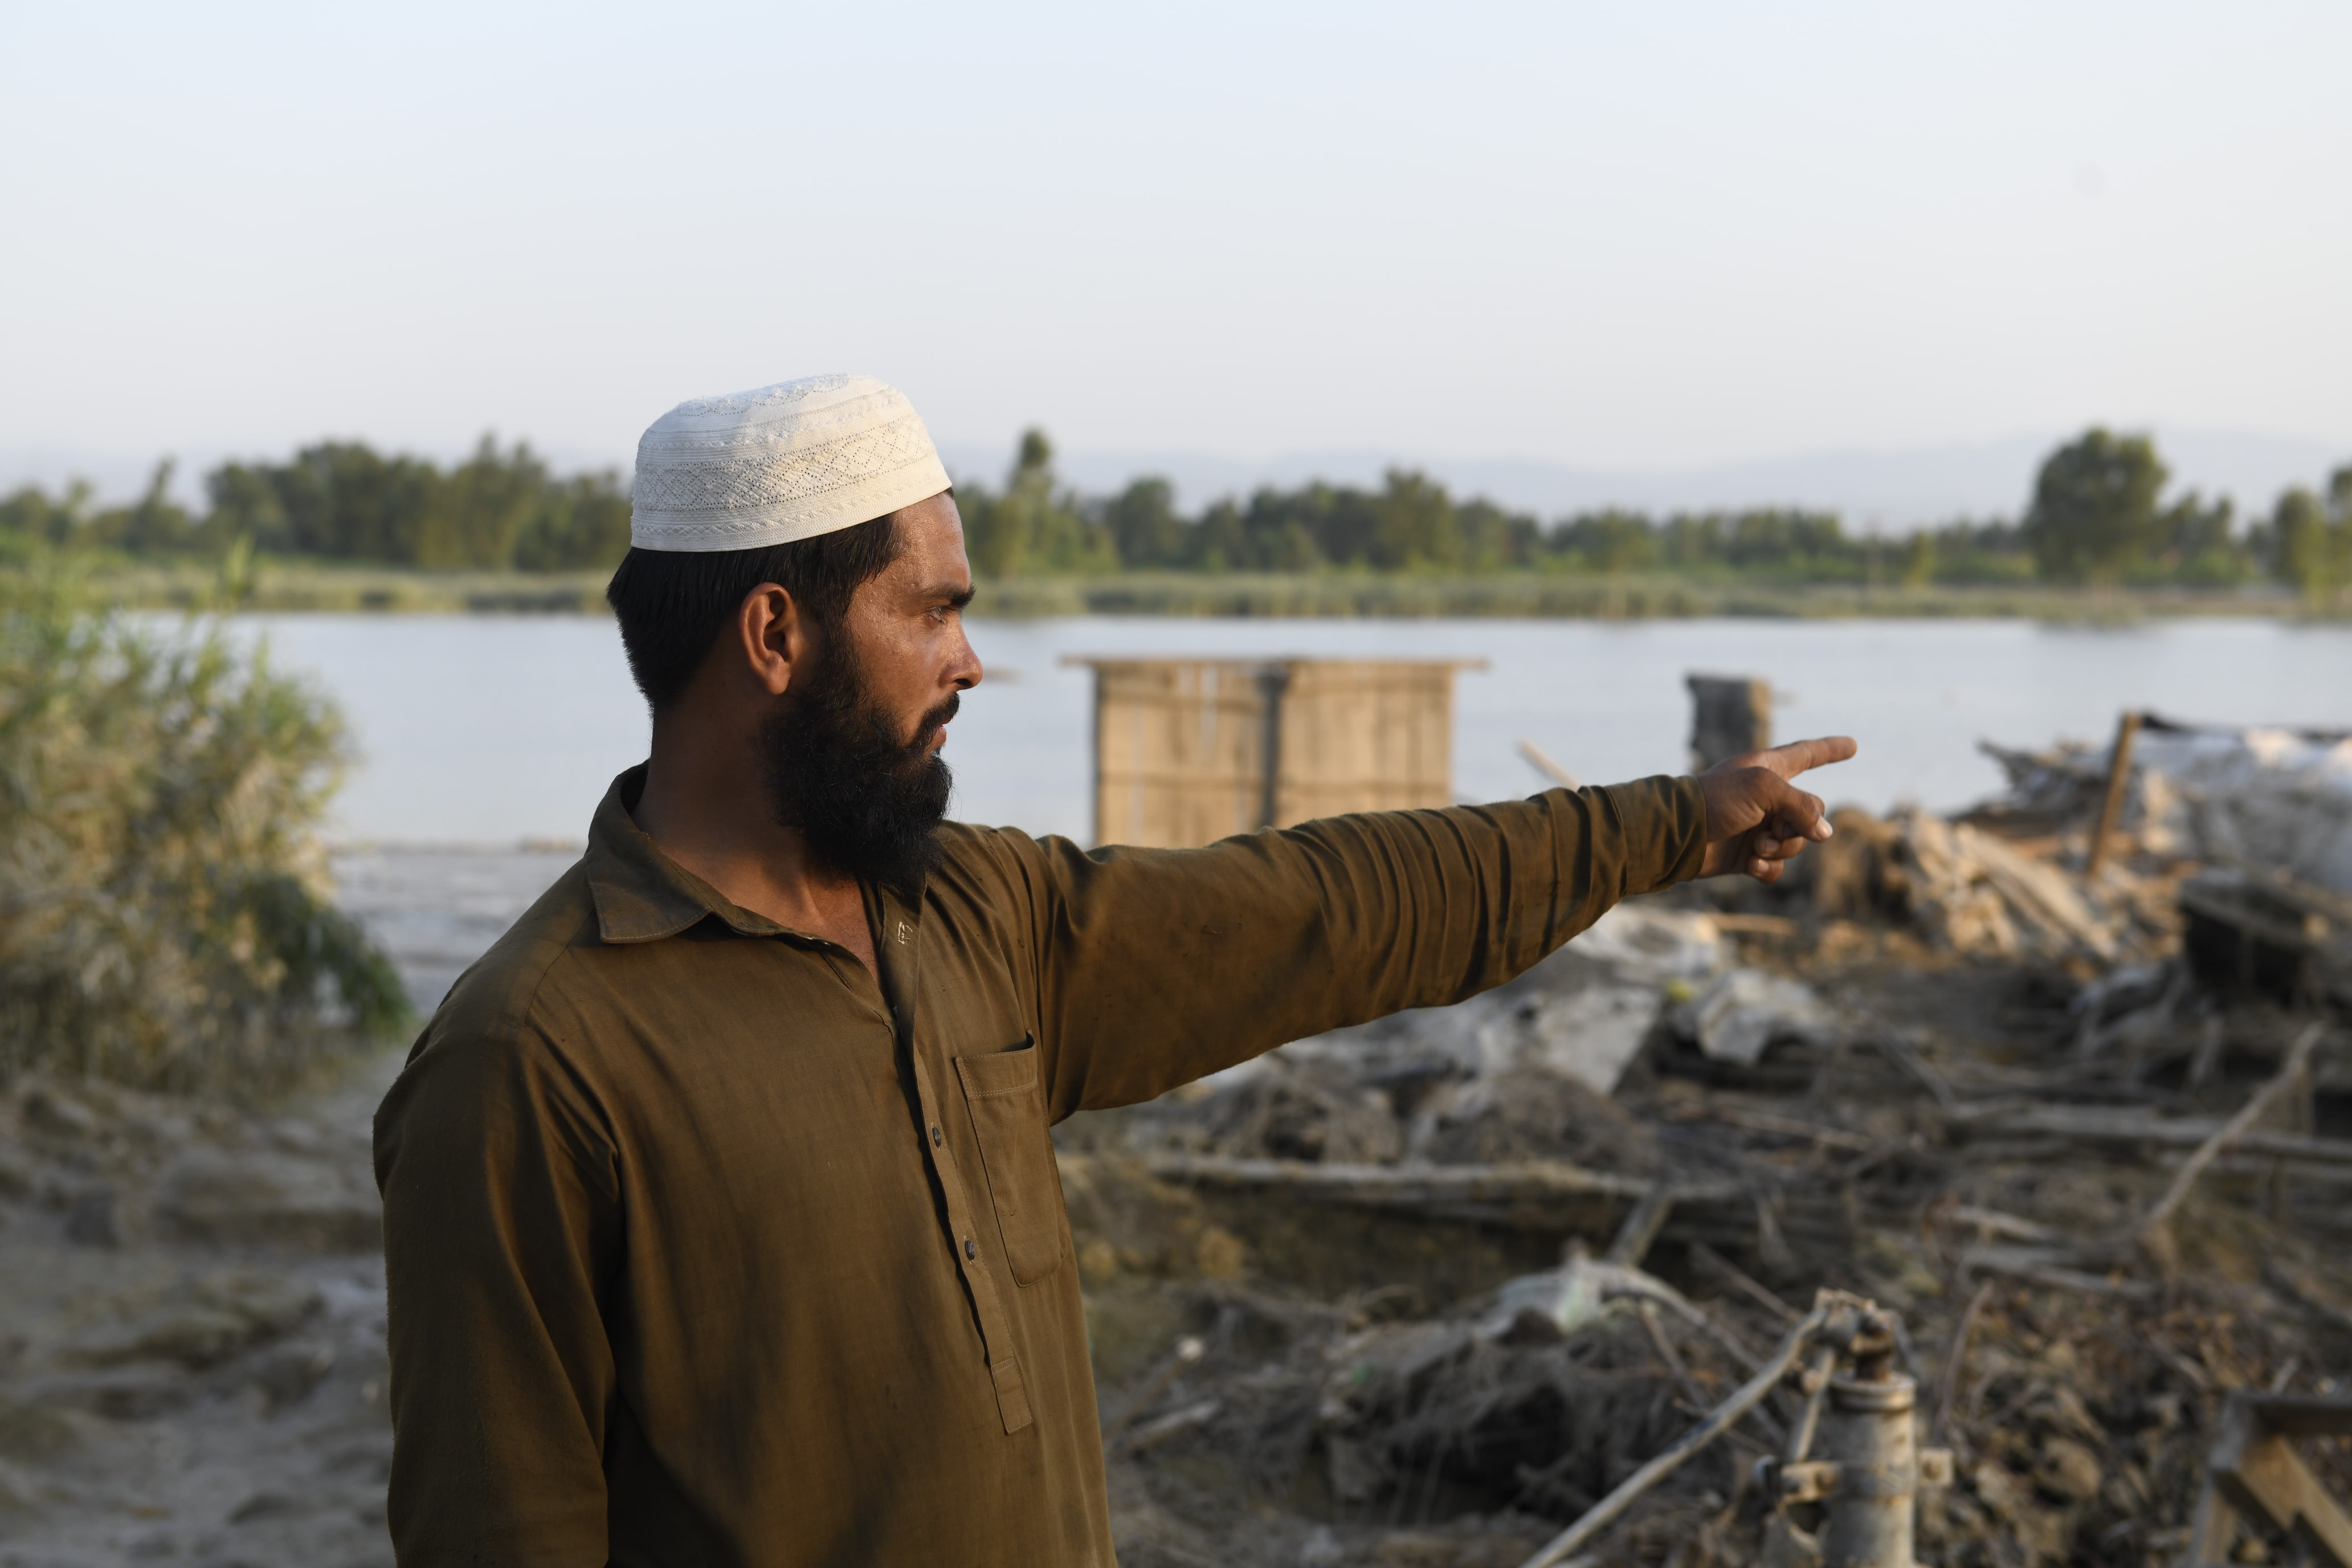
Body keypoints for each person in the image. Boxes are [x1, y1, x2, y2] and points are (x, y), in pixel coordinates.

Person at [373, 373, 1855, 1567]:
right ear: (775, 633)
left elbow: (1328, 910)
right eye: (934, 608)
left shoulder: (974, 918)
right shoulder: (532, 1064)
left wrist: (1666, 824)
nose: (969, 661)